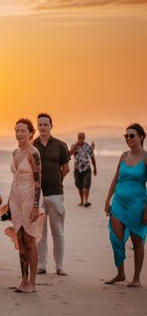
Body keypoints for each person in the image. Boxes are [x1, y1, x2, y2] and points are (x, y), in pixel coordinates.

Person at [104, 124, 147, 287]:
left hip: (138, 205)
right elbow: (116, 179)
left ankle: (136, 278)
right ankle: (120, 273)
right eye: (126, 136)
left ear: (141, 137)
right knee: (116, 239)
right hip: (119, 203)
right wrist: (107, 200)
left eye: (132, 135)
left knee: (137, 242)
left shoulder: (145, 157)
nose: (128, 139)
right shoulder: (123, 156)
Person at [7, 119, 44, 293]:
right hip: (15, 199)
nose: (19, 134)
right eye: (17, 130)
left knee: (30, 241)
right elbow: (14, 180)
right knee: (20, 240)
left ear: (31, 133)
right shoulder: (15, 152)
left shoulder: (33, 152)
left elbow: (38, 182)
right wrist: (8, 202)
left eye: (23, 130)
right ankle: (23, 280)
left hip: (30, 199)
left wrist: (36, 206)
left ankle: (33, 283)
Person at [33, 113, 70, 276]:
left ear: (51, 126)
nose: (42, 127)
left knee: (58, 231)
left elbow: (66, 168)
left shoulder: (60, 145)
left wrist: (56, 180)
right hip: (38, 195)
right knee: (40, 233)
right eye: (40, 125)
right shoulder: (33, 145)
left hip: (56, 194)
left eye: (45, 124)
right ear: (37, 127)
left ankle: (59, 266)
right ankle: (42, 264)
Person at [69, 132, 97, 207]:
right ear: (77, 138)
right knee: (79, 186)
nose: (80, 139)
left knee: (86, 185)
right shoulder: (74, 146)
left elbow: (92, 158)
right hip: (77, 169)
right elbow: (70, 154)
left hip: (86, 169)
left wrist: (95, 169)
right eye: (79, 137)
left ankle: (86, 201)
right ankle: (81, 201)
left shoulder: (88, 147)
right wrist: (75, 146)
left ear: (84, 138)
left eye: (82, 137)